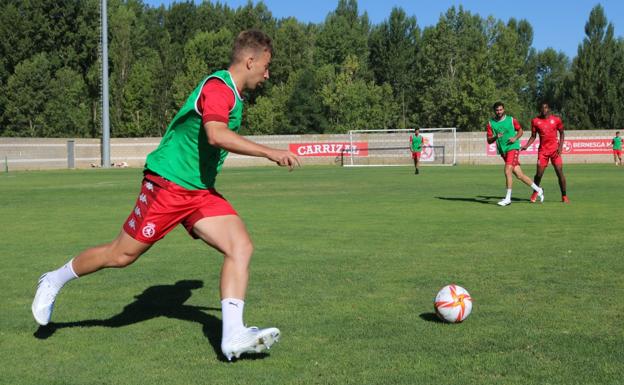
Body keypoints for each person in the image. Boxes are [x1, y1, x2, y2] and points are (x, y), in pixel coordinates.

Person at [31, 30, 300, 361]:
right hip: (167, 186)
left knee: (240, 246)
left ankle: (232, 336)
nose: (267, 75)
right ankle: (53, 280)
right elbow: (215, 134)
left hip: (199, 192)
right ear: (250, 61)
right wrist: (269, 152)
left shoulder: (233, 95)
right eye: (266, 66)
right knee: (121, 255)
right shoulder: (218, 89)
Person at [486, 101, 543, 206]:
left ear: (504, 109)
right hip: (503, 151)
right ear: (494, 111)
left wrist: (515, 138)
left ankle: (508, 199)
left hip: (513, 148)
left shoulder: (511, 120)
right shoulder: (490, 123)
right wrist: (495, 137)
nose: (499, 111)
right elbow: (489, 140)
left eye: (501, 109)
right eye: (497, 110)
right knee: (519, 175)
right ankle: (538, 190)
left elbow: (520, 131)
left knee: (507, 170)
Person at [520, 102, 569, 203]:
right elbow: (533, 136)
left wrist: (560, 147)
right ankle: (535, 192)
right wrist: (526, 146)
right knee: (538, 174)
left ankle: (564, 196)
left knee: (560, 173)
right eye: (542, 108)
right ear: (540, 110)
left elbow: (562, 133)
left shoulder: (556, 120)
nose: (544, 110)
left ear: (549, 109)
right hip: (543, 152)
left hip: (555, 151)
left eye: (546, 108)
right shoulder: (535, 121)